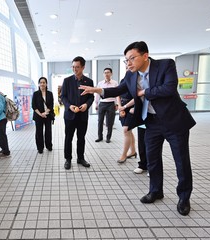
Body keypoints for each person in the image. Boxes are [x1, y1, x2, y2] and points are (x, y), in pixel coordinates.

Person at [79, 41, 196, 216]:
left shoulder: (165, 65)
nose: (129, 63)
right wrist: (97, 90)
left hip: (174, 121)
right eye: (126, 60)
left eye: (132, 58)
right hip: (152, 122)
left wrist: (143, 93)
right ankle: (156, 191)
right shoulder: (131, 75)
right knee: (152, 159)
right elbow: (118, 89)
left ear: (145, 56)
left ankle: (184, 197)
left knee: (181, 160)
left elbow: (169, 88)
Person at [61, 56, 94, 170]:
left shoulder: (89, 82)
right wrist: (69, 106)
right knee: (68, 137)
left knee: (81, 137)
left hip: (82, 115)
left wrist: (87, 105)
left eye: (77, 67)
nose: (75, 69)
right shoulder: (67, 81)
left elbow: (91, 97)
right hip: (70, 115)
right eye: (73, 67)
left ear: (83, 67)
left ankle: (80, 158)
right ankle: (68, 159)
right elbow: (63, 97)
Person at [94, 68, 118, 143]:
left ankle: (108, 137)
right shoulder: (100, 83)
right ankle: (100, 137)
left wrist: (117, 104)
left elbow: (117, 94)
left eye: (108, 72)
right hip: (102, 103)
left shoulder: (115, 83)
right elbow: (97, 94)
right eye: (105, 73)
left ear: (111, 74)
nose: (106, 74)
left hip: (111, 104)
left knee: (110, 122)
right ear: (103, 74)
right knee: (100, 121)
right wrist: (96, 103)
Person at [32, 77, 55, 154]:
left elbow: (51, 105)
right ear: (39, 84)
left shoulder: (50, 93)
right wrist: (41, 114)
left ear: (46, 84)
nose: (42, 84)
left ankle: (49, 146)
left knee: (48, 131)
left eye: (44, 82)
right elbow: (33, 106)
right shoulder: (35, 94)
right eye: (41, 82)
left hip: (47, 115)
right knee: (39, 132)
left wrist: (45, 113)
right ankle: (40, 148)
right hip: (38, 115)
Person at [116, 81, 137, 163]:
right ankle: (133, 151)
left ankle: (124, 155)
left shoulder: (136, 80)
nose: (128, 68)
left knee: (126, 130)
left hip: (132, 107)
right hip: (122, 106)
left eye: (129, 67)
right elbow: (118, 94)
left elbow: (137, 96)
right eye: (126, 67)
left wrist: (125, 107)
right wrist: (120, 107)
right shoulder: (123, 80)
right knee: (129, 131)